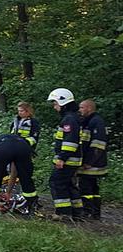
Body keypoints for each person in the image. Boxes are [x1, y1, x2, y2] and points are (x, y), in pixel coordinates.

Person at [0, 133, 39, 214]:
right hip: (24, 148)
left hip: (5, 148)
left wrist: (0, 191)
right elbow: (14, 173)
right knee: (26, 177)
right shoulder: (20, 143)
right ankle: (32, 205)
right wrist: (8, 192)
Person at [47, 88, 84, 220]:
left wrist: (62, 158)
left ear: (63, 102)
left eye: (55, 103)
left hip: (68, 159)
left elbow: (70, 142)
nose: (54, 106)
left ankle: (63, 213)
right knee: (69, 184)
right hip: (72, 159)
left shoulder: (69, 119)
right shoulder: (73, 117)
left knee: (57, 182)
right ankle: (77, 212)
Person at [78, 99, 109, 220]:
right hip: (95, 163)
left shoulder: (96, 122)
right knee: (93, 188)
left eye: (81, 108)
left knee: (86, 188)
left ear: (89, 108)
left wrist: (88, 162)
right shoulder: (89, 121)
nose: (79, 110)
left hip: (92, 164)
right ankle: (95, 213)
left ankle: (88, 212)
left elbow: (98, 145)